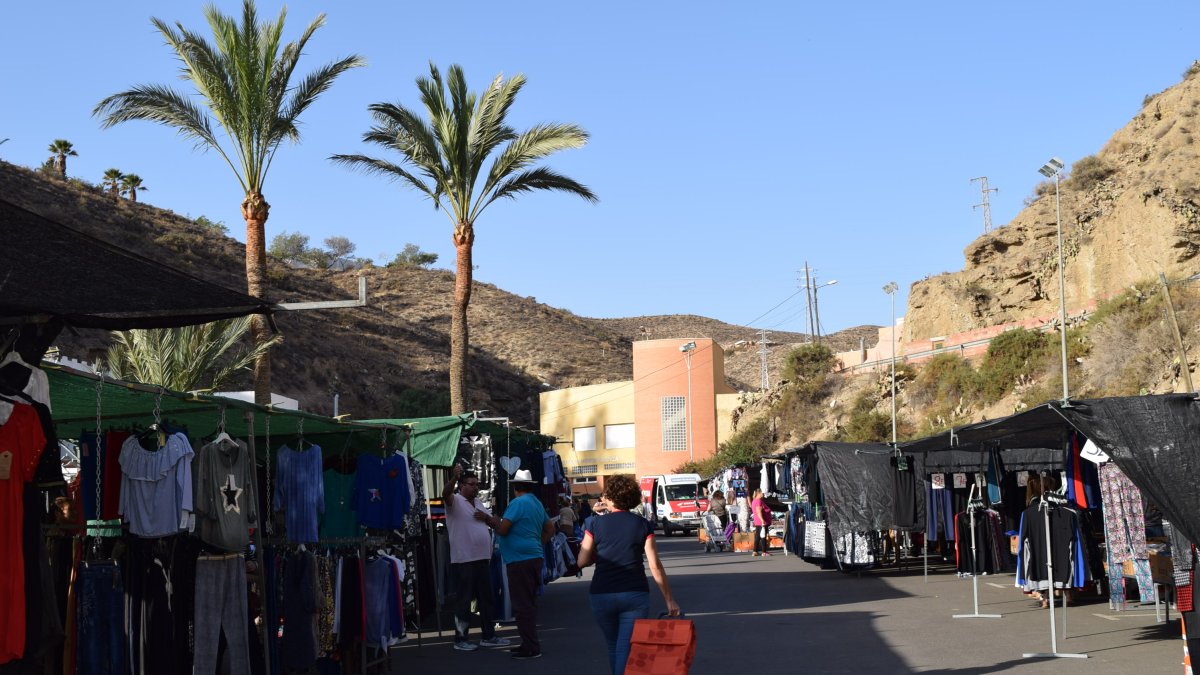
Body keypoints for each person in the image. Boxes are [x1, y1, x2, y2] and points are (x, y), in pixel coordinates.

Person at [577, 474, 681, 675]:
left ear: (610, 497)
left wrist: (600, 555)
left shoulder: (594, 524)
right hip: (634, 593)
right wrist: (669, 600)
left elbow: (582, 560)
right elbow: (655, 565)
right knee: (626, 646)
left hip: (602, 592)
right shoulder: (642, 524)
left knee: (613, 645)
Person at [475, 469, 554, 660]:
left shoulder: (517, 503)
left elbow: (503, 529)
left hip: (520, 560)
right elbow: (550, 528)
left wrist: (488, 519)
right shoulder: (536, 503)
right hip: (533, 557)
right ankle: (528, 643)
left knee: (522, 605)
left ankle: (531, 647)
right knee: (528, 603)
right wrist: (535, 542)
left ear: (515, 487)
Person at [441, 465, 512, 652]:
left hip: (483, 558)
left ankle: (488, 636)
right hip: (464, 559)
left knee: (486, 599)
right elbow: (445, 493)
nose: (475, 487)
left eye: (476, 484)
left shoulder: (479, 503)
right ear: (461, 486)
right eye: (471, 484)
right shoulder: (454, 501)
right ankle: (460, 638)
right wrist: (454, 478)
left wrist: (486, 518)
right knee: (464, 601)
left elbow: (497, 524)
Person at [751, 489, 773, 557]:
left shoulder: (754, 501)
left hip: (758, 521)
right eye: (762, 493)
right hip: (761, 522)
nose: (763, 494)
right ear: (759, 493)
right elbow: (758, 511)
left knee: (758, 536)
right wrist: (762, 520)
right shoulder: (758, 501)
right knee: (763, 536)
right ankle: (764, 551)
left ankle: (755, 551)